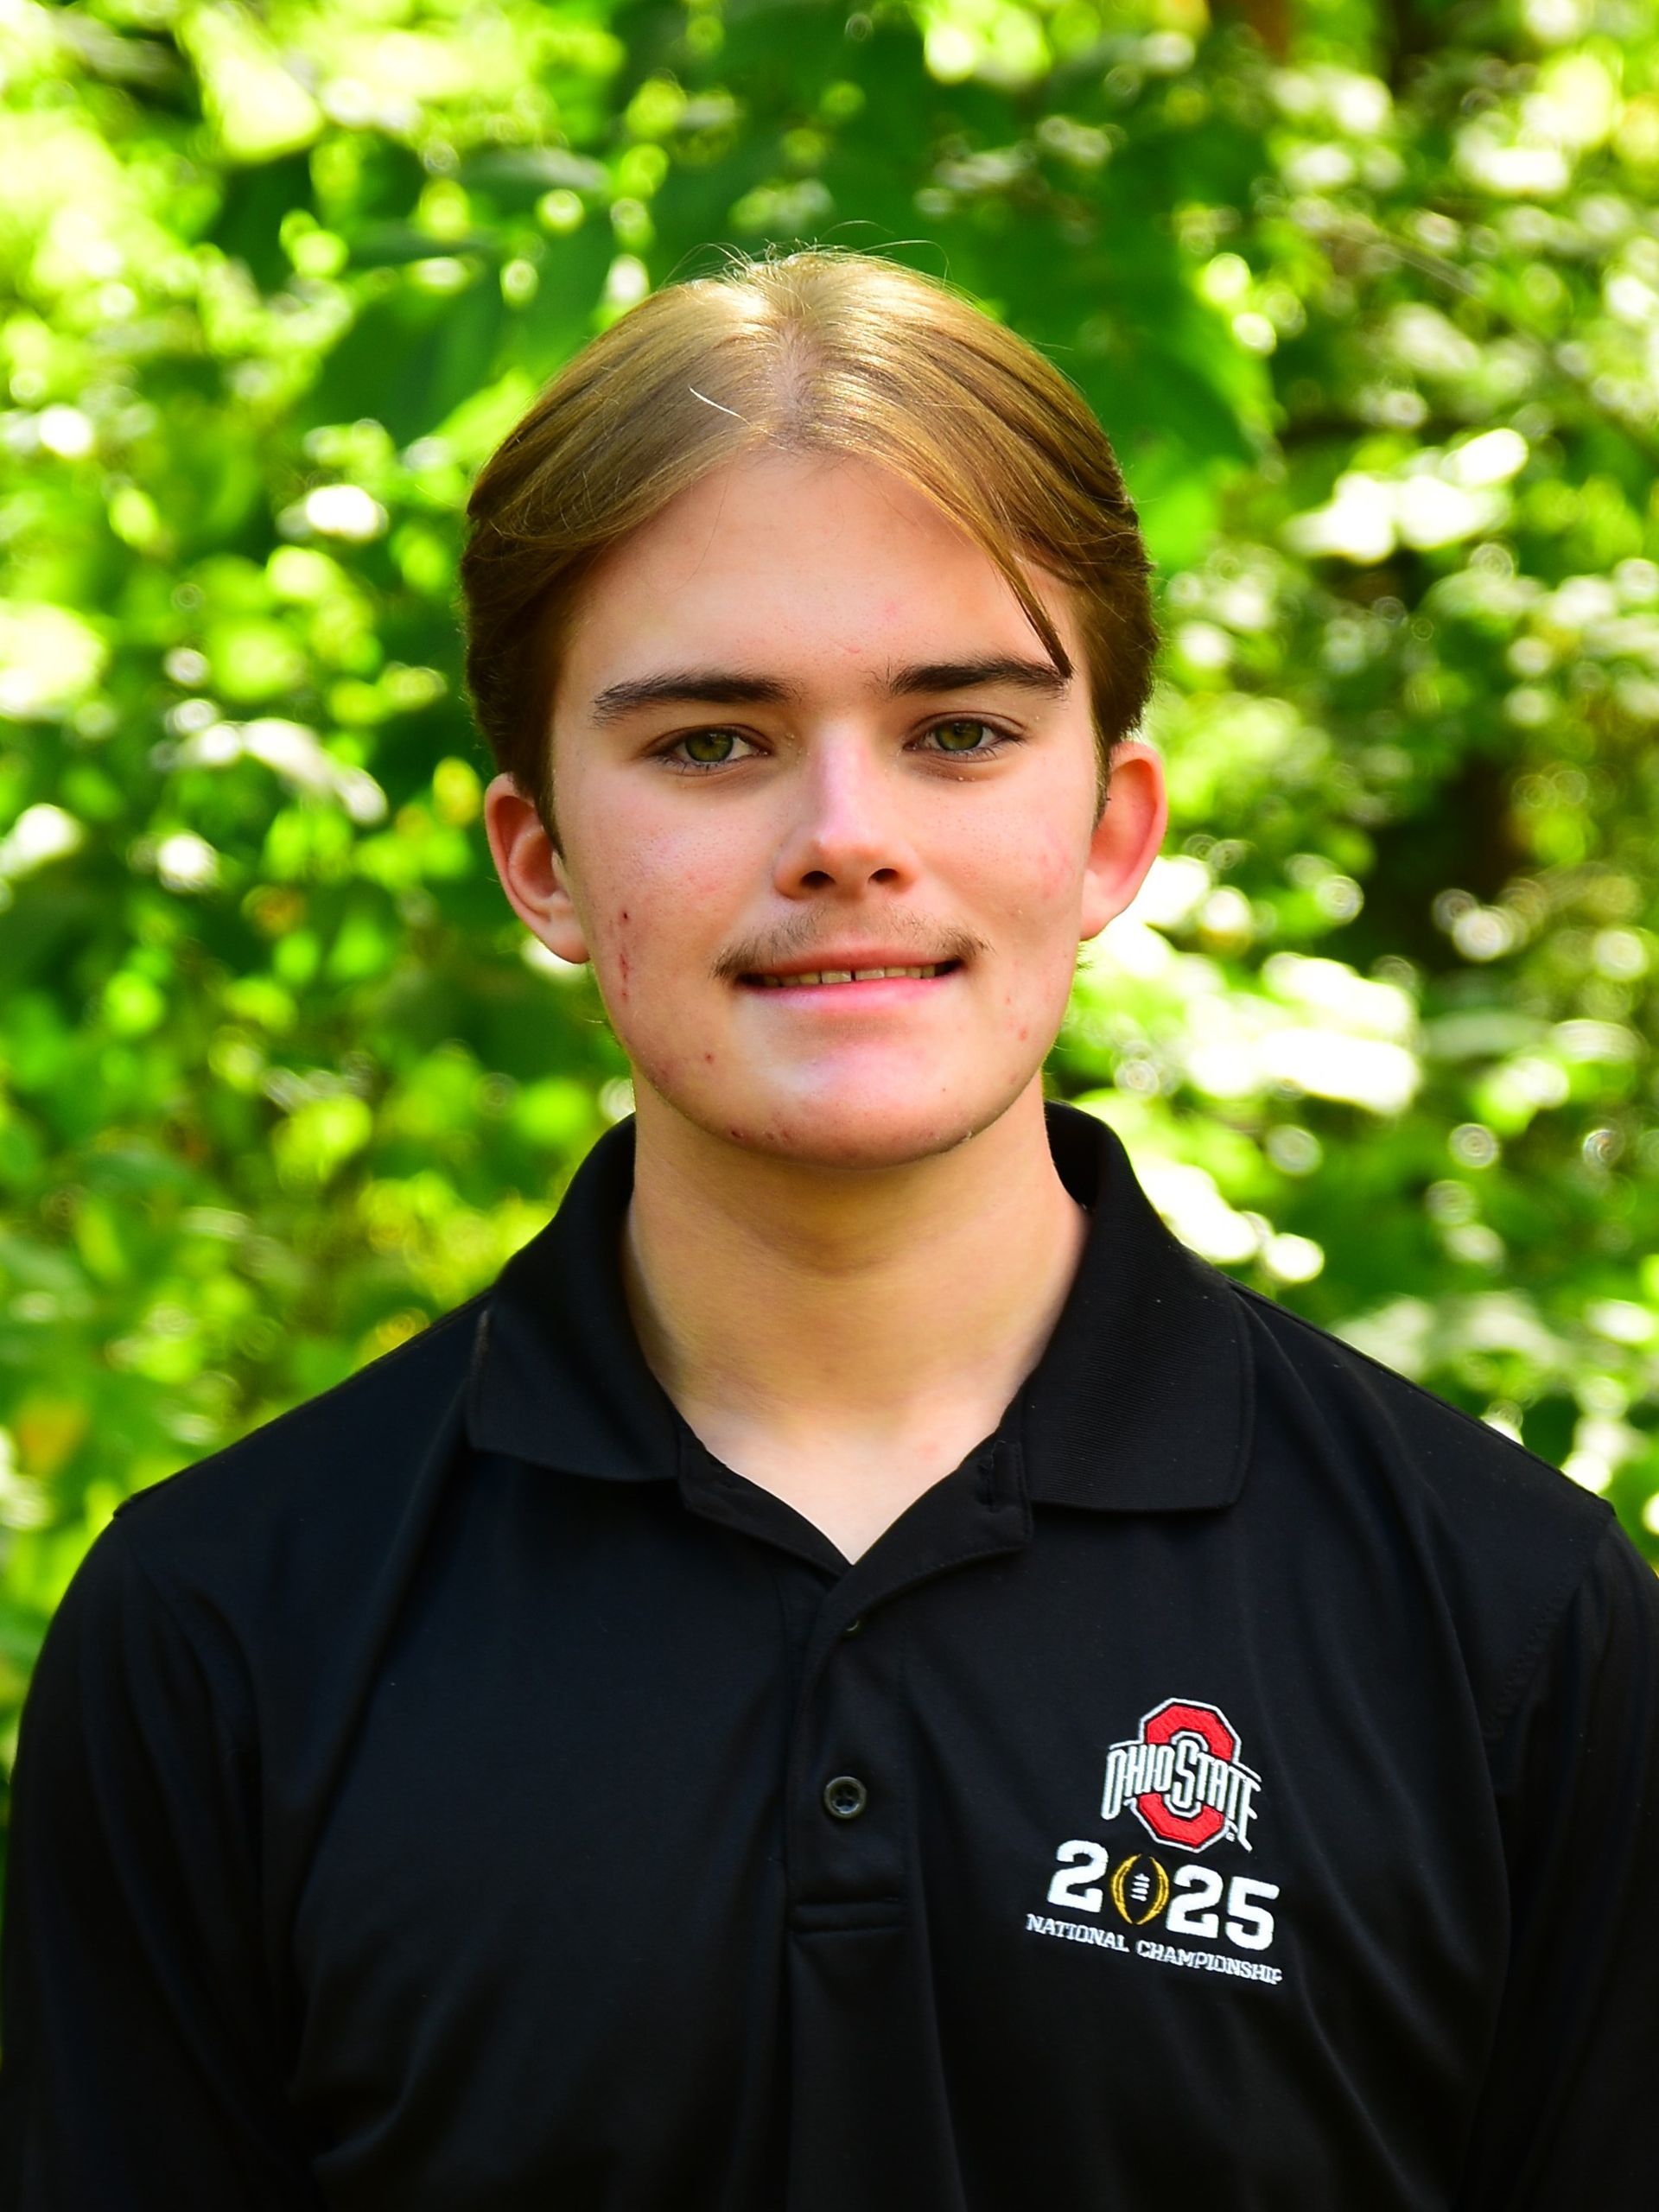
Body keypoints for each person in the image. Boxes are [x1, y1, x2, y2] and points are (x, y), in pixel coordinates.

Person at [1, 248, 1655, 2212]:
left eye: (959, 731)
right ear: (540, 856)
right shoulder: (223, 1629)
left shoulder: (1510, 1621)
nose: (846, 835)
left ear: (1112, 829)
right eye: (712, 740)